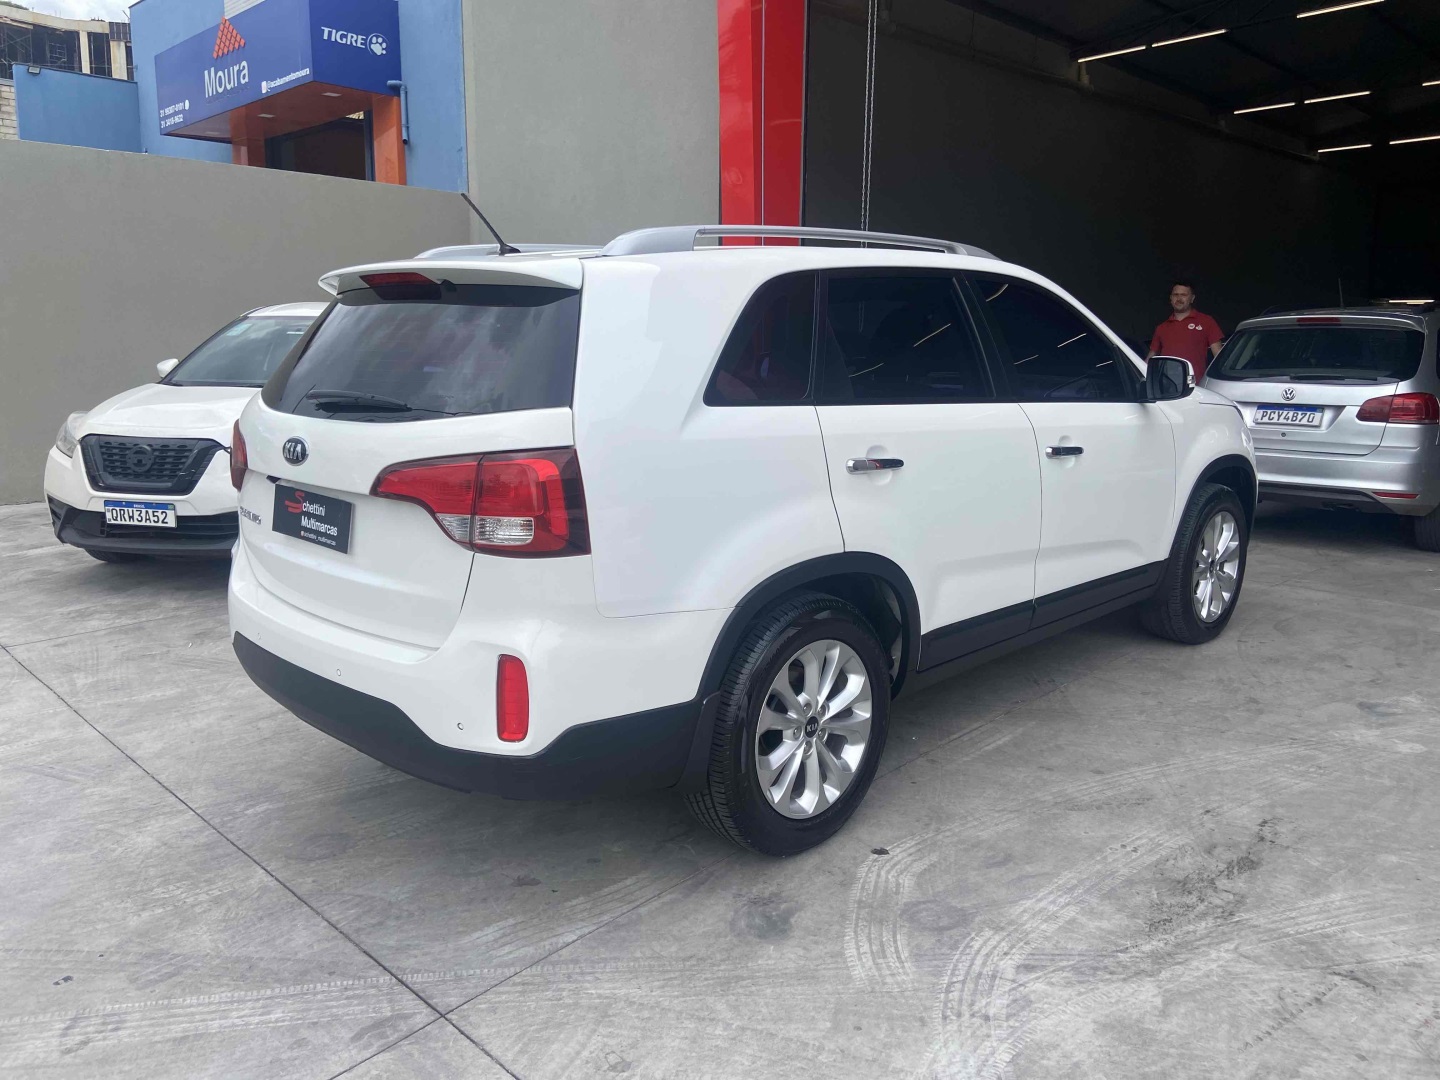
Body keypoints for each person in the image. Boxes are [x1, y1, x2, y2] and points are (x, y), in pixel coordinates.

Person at [1148, 281, 1223, 381]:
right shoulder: (1161, 328)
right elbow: (1150, 358)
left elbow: (1219, 358)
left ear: (1192, 298)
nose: (1179, 298)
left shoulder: (1206, 321)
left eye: (1183, 295)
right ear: (1171, 298)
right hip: (1168, 385)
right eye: (1175, 295)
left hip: (1196, 385)